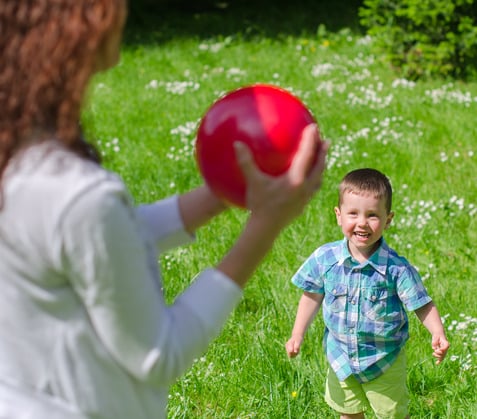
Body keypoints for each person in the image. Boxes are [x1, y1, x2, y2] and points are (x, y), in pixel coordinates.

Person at [0, 1, 328, 418]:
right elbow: (158, 354)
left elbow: (95, 239)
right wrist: (265, 226)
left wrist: (219, 196)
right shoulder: (76, 193)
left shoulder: (16, 150)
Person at [285, 168, 449, 419]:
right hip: (340, 358)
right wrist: (297, 334)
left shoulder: (396, 268)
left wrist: (437, 332)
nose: (362, 222)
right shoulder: (325, 259)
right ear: (339, 216)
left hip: (384, 360)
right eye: (353, 214)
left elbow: (421, 303)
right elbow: (311, 295)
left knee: (392, 414)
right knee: (348, 413)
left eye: (372, 215)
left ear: (388, 219)